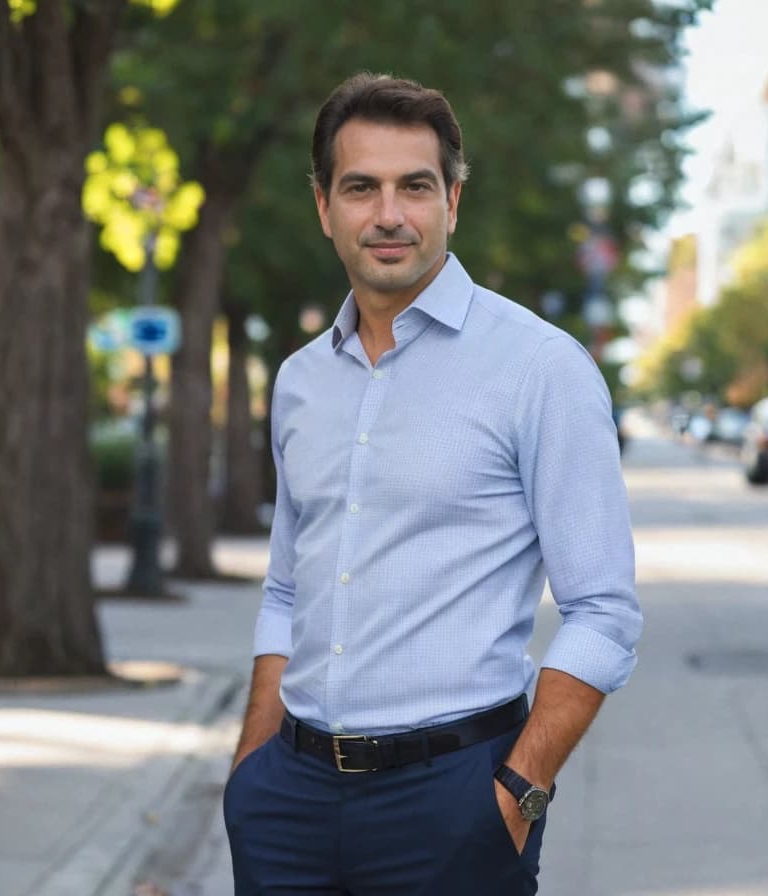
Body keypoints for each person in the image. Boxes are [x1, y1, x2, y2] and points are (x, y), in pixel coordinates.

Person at [224, 73, 642, 896]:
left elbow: (605, 611)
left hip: (454, 803)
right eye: (360, 188)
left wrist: (517, 793)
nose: (388, 215)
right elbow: (286, 589)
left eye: (414, 186)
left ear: (452, 198)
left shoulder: (539, 368)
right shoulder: (302, 380)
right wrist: (250, 770)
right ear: (324, 208)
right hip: (288, 804)